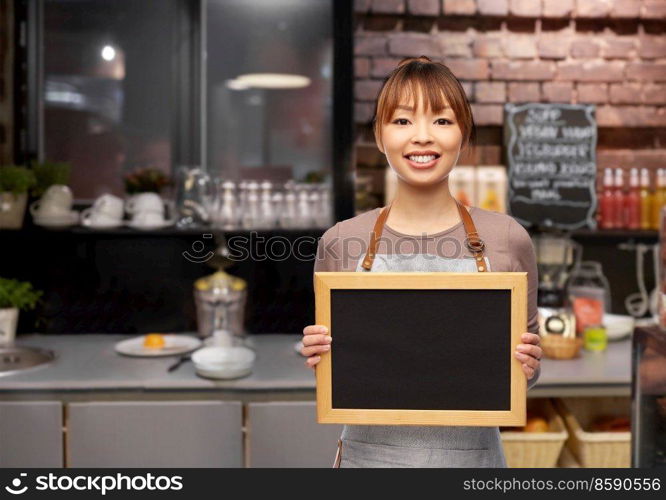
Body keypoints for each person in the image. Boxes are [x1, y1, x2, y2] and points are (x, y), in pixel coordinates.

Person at [301, 56, 542, 468]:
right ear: (379, 135)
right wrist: (319, 354)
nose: (423, 137)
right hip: (367, 462)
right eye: (402, 121)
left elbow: (527, 370)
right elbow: (343, 369)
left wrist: (529, 363)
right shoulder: (341, 241)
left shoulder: (507, 237)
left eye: (443, 121)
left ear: (464, 136)